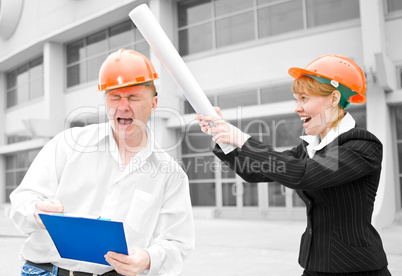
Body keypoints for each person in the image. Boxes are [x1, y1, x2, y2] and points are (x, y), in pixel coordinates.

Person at [196, 54, 391, 276]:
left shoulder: (362, 145)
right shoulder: (309, 148)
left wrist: (242, 138)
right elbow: (254, 173)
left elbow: (304, 174)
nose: (297, 108)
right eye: (296, 99)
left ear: (334, 98)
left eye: (304, 99)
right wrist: (222, 137)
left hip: (357, 268)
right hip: (315, 265)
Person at [10, 49, 195, 276]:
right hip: (47, 270)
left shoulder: (170, 174)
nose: (123, 106)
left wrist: (147, 259)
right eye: (114, 97)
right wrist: (36, 211)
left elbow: (177, 241)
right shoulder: (68, 144)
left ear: (154, 104)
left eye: (134, 97)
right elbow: (22, 200)